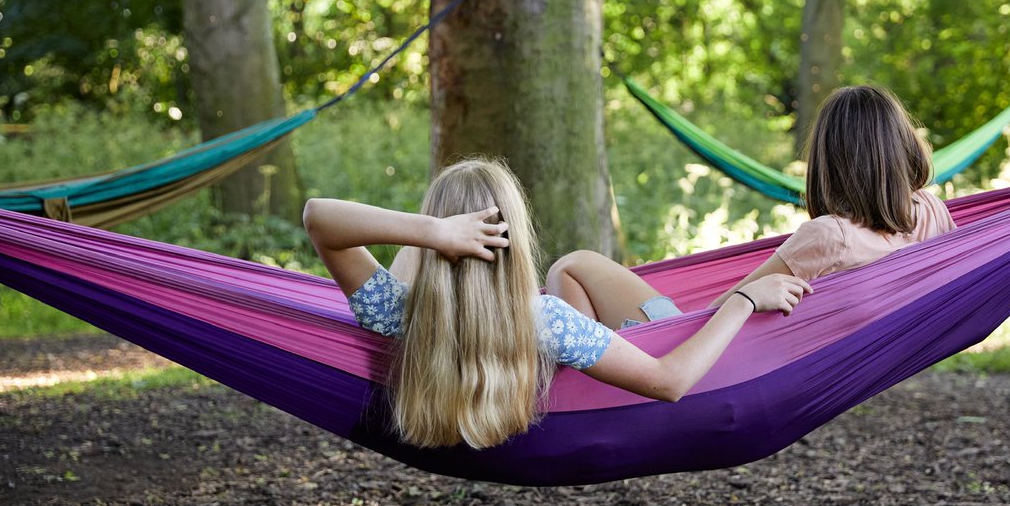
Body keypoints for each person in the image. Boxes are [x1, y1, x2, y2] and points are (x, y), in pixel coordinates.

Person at [304, 157, 806, 451]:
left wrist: (434, 231)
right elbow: (670, 382)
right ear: (515, 234)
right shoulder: (544, 321)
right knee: (576, 264)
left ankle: (442, 225)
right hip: (551, 372)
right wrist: (741, 299)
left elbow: (319, 217)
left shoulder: (391, 311)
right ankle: (692, 313)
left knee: (569, 269)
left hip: (438, 386)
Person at [707, 83, 957, 306]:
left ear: (829, 162)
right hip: (909, 351)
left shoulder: (829, 235)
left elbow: (728, 307)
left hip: (836, 355)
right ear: (903, 147)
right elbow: (962, 276)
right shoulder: (930, 209)